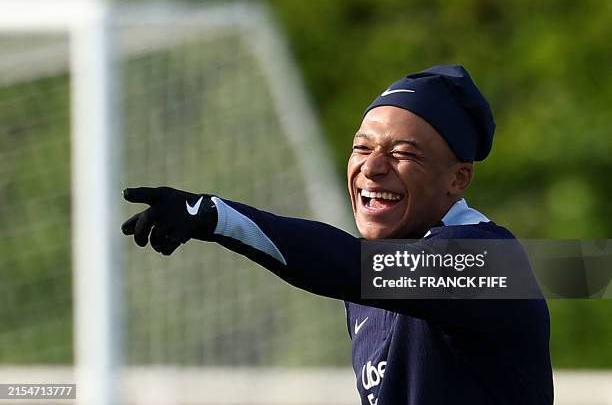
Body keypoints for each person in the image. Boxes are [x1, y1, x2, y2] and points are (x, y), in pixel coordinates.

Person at [121, 65, 553, 404]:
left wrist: (217, 217)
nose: (372, 167)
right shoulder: (370, 281)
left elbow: (348, 265)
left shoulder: (492, 260)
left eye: (403, 154)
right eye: (362, 147)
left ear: (458, 178)